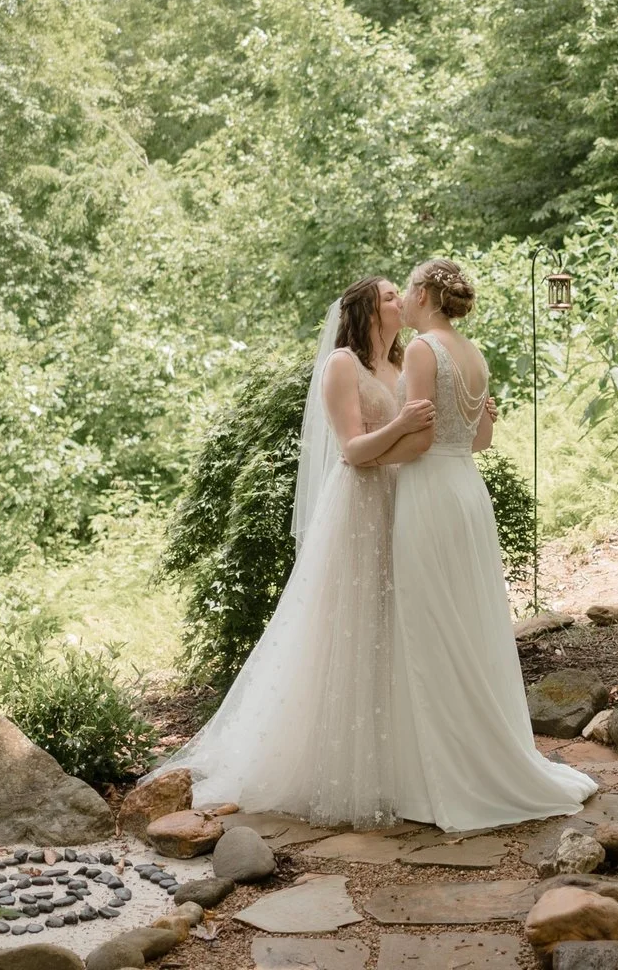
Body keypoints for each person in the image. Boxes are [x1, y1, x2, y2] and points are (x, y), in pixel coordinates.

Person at [161, 275, 436, 827]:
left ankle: (403, 766)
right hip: (359, 506)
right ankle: (335, 765)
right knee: (351, 627)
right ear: (364, 311)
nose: (398, 301)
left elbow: (412, 442)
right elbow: (353, 450)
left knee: (395, 623)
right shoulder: (343, 365)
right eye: (387, 296)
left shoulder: (400, 368)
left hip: (400, 501)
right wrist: (403, 422)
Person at [387, 258, 595, 831]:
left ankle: (452, 774)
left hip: (429, 490)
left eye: (408, 288)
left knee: (432, 620)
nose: (403, 298)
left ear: (425, 293)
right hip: (466, 490)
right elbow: (479, 438)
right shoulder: (473, 352)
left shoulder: (425, 349)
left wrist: (370, 456)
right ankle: (477, 753)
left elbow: (423, 436)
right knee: (467, 621)